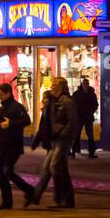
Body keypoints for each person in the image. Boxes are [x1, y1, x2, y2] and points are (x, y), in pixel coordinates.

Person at [30, 78, 76, 207]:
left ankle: (59, 197)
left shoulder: (66, 101)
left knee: (54, 167)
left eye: (54, 85)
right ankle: (68, 199)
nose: (51, 86)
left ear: (61, 87)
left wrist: (63, 133)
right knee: (57, 168)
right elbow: (45, 123)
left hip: (63, 139)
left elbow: (71, 122)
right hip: (54, 139)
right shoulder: (53, 101)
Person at [0, 82, 34, 209]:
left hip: (13, 145)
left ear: (8, 93)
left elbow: (27, 120)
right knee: (2, 174)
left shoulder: (17, 107)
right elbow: (0, 128)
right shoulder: (2, 107)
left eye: (1, 95)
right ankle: (6, 202)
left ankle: (29, 190)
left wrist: (11, 123)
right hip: (3, 145)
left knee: (7, 171)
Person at [72, 78, 98, 158]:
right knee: (77, 135)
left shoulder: (91, 94)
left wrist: (91, 112)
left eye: (86, 84)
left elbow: (95, 105)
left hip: (87, 117)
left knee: (89, 135)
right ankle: (74, 151)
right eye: (84, 84)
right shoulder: (77, 94)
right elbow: (73, 104)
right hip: (80, 117)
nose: (85, 86)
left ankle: (91, 152)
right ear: (82, 84)